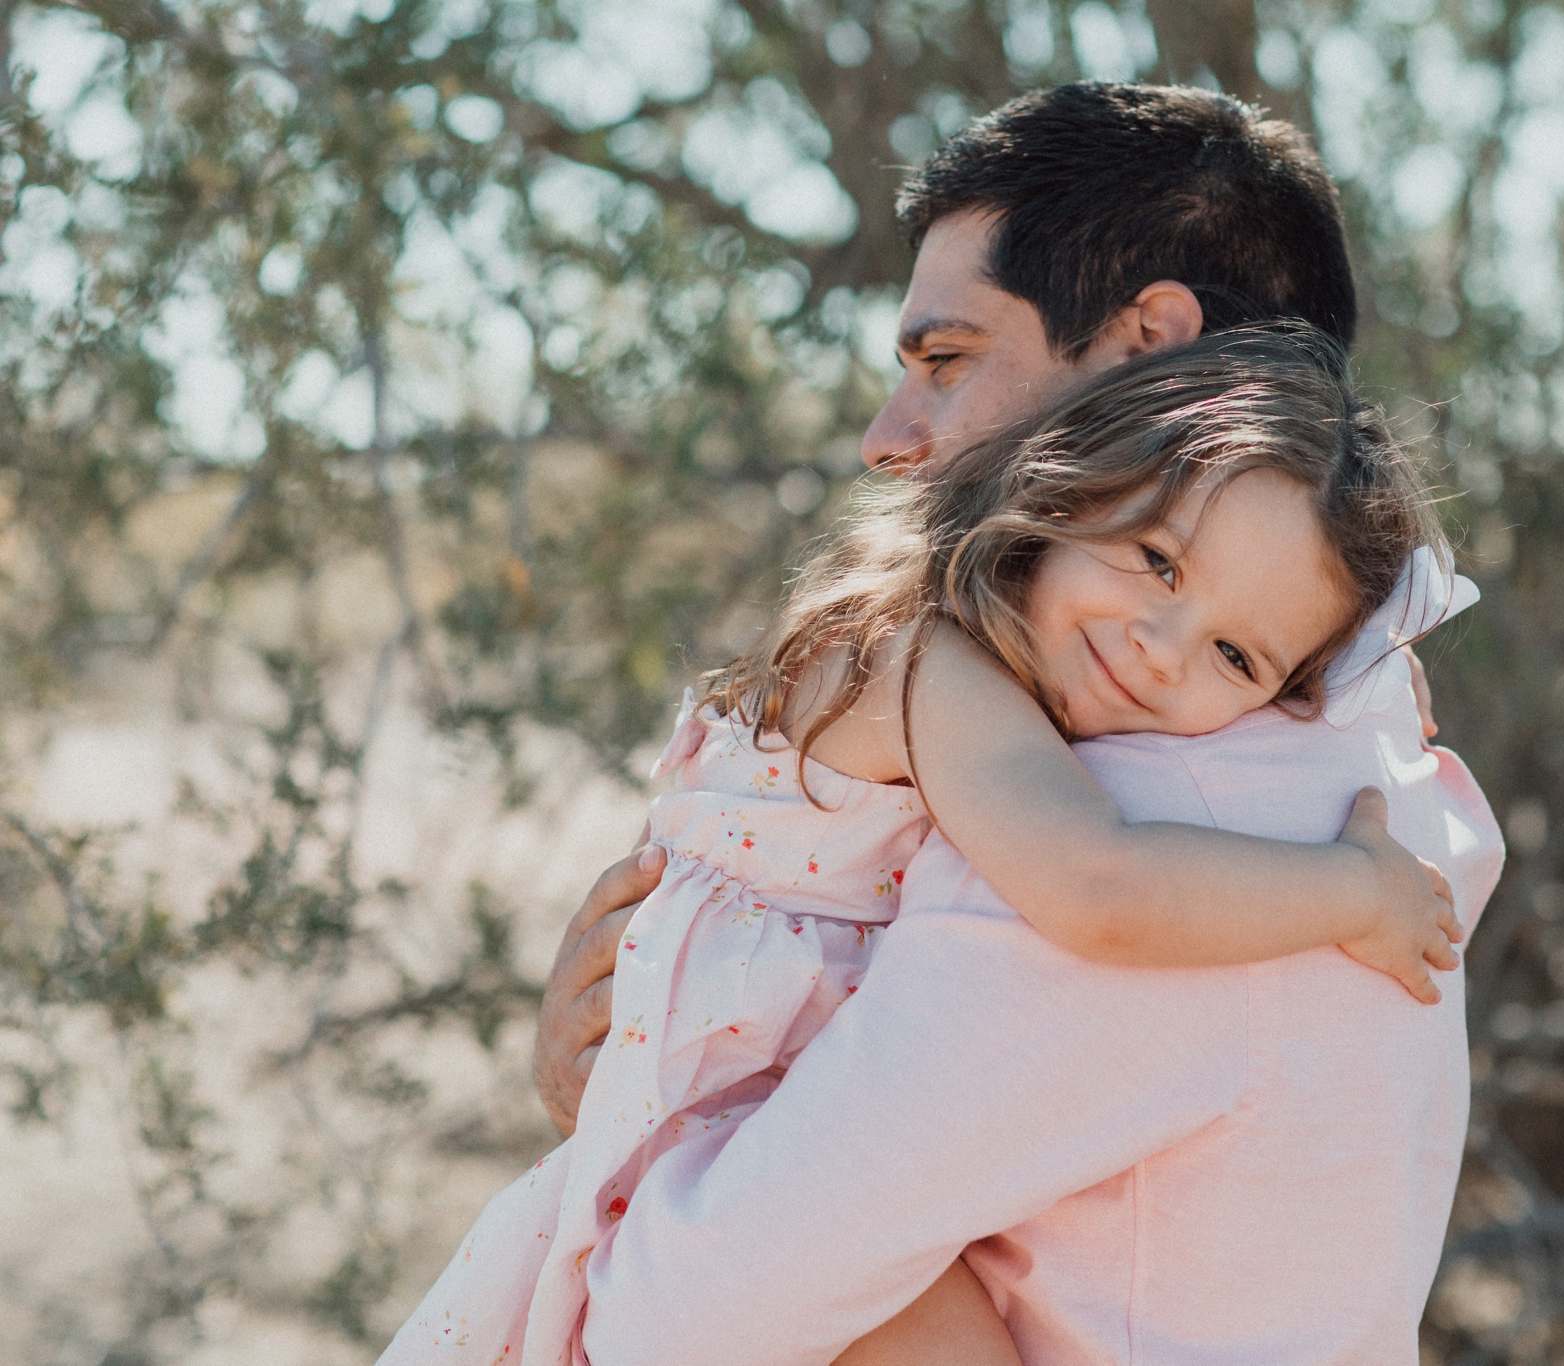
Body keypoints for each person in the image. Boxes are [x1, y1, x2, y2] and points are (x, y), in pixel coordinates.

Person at [542, 83, 1505, 1364]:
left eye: (945, 360)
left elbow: (692, 1307)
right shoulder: (1359, 753)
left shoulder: (1165, 813)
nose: (891, 439)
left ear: (1145, 349)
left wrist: (618, 1121)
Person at [380, 326, 1463, 1366]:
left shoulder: (1000, 664)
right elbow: (1100, 886)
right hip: (730, 1140)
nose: (1159, 650)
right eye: (1156, 561)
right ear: (1070, 481)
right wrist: (1355, 891)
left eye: (1235, 655)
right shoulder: (927, 658)